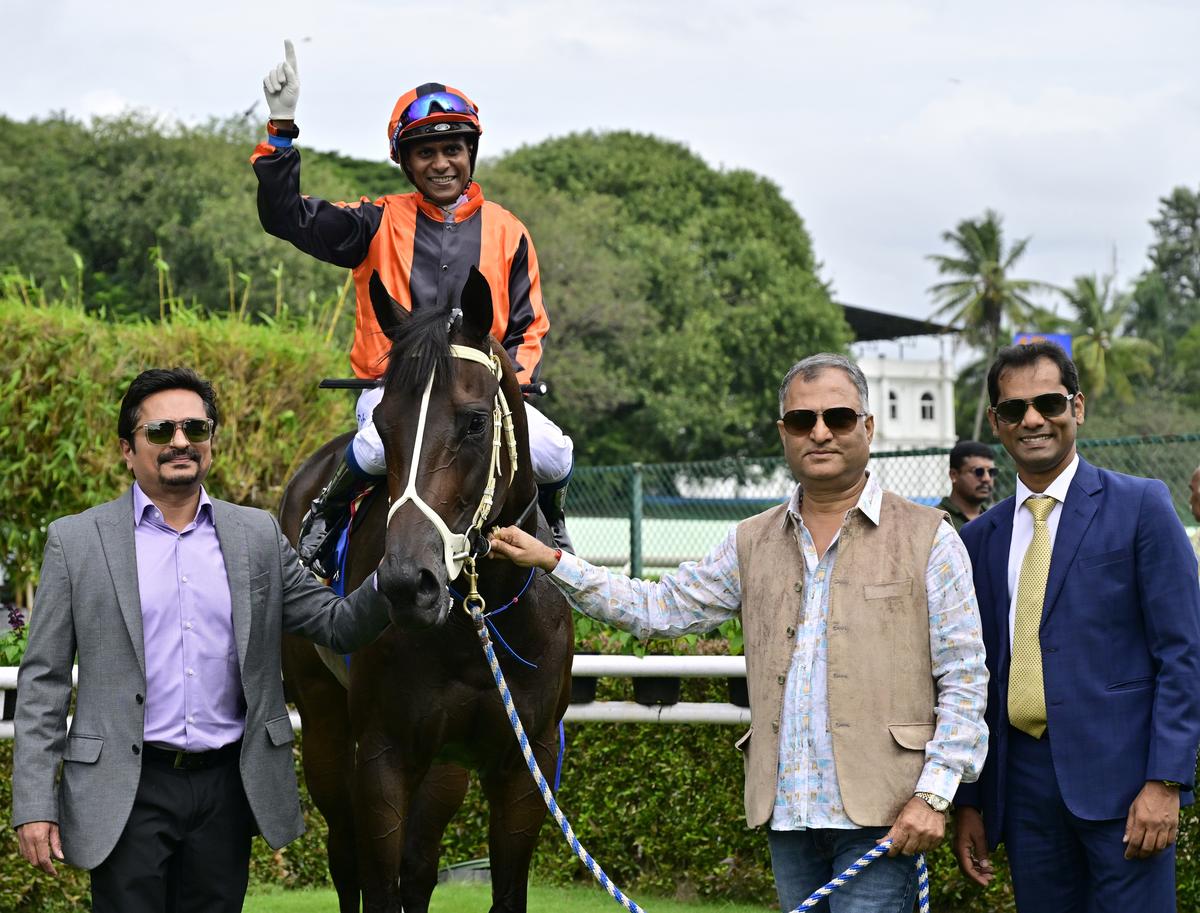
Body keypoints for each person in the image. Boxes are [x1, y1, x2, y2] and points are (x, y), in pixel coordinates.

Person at [489, 352, 989, 913]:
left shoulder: (930, 538)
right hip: (788, 812)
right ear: (783, 433)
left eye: (839, 418)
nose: (820, 432)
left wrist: (933, 795)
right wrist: (554, 561)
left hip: (886, 815)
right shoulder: (752, 541)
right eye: (802, 421)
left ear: (867, 427)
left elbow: (965, 678)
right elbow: (659, 607)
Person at [11, 368, 394, 913]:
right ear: (128, 449)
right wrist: (33, 803)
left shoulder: (257, 535)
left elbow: (336, 624)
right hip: (126, 789)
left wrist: (391, 578)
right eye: (161, 431)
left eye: (196, 427)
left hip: (227, 790)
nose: (181, 441)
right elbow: (43, 683)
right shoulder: (76, 542)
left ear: (211, 441)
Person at [250, 40, 575, 576]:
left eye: (453, 149)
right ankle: (325, 514)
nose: (441, 163)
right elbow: (285, 216)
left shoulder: (509, 230)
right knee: (377, 449)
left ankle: (555, 524)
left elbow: (527, 324)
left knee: (554, 452)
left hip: (480, 396)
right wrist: (280, 128)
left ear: (471, 152)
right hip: (395, 391)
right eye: (425, 152)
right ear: (404, 160)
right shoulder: (373, 221)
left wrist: (506, 383)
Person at [951, 342, 1200, 912]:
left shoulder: (1142, 506)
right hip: (1024, 791)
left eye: (1048, 402)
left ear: (1077, 407)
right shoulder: (976, 541)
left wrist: (1166, 782)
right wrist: (970, 800)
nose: (1032, 419)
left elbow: (1183, 653)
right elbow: (969, 677)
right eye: (1014, 410)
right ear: (996, 422)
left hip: (1127, 787)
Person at [938, 440, 996, 531]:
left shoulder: (997, 518)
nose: (987, 478)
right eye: (978, 472)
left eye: (991, 472)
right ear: (954, 475)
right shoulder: (936, 520)